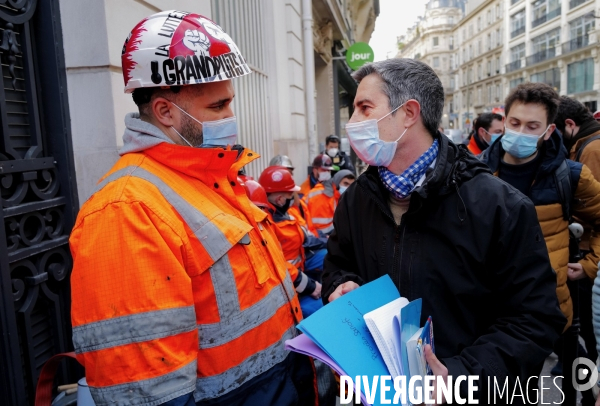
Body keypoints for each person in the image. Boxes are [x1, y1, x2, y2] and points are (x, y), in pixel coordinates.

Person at [69, 11, 316, 406]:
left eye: (230, 102)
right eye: (218, 106)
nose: (231, 117)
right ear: (166, 111)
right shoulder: (126, 211)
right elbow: (149, 395)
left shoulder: (212, 178)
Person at [323, 58, 565, 403]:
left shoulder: (499, 206)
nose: (353, 123)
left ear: (409, 114)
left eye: (364, 108)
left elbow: (534, 319)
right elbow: (336, 265)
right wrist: (339, 285)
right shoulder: (356, 199)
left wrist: (460, 375)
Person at [479, 83, 600, 405]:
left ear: (548, 131)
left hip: (550, 309)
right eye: (515, 123)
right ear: (504, 121)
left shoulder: (570, 176)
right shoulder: (474, 172)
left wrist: (589, 265)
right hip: (490, 311)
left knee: (546, 385)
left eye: (532, 126)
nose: (520, 132)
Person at [555, 97, 600, 373]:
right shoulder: (586, 143)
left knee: (589, 332)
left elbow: (594, 209)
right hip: (583, 253)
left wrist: (591, 264)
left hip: (586, 256)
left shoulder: (592, 149)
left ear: (569, 125)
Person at [258, 167, 327, 317]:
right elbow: (279, 265)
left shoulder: (284, 213)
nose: (293, 197)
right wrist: (311, 286)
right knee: (320, 307)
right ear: (280, 199)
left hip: (297, 269)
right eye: (290, 194)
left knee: (329, 255)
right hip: (287, 283)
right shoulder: (267, 223)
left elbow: (305, 236)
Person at [303, 170, 355, 236]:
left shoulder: (340, 196)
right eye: (345, 183)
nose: (348, 187)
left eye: (351, 185)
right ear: (337, 182)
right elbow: (318, 226)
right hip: (317, 236)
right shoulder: (322, 195)